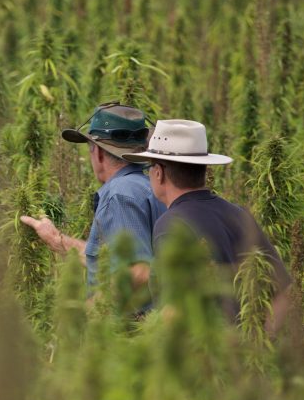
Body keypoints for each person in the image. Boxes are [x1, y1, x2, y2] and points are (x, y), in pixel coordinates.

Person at [122, 119, 291, 315]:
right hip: (245, 343)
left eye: (150, 167)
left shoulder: (170, 225)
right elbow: (284, 291)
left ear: (158, 173)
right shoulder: (239, 215)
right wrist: (258, 340)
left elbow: (174, 309)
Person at [21, 102, 165, 290]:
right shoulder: (148, 186)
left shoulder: (120, 195)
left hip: (132, 318)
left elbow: (136, 273)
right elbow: (105, 261)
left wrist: (87, 310)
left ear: (96, 152)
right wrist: (58, 240)